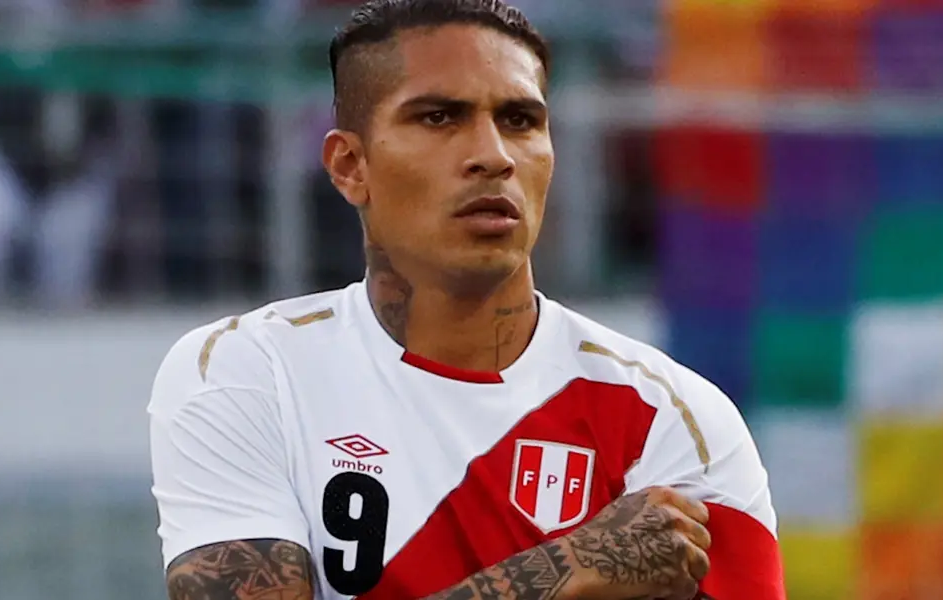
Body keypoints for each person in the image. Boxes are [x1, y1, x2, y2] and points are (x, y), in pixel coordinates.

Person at [147, 1, 785, 599]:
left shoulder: (671, 419)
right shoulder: (249, 371)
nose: (493, 156)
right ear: (349, 166)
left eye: (520, 120)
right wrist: (565, 570)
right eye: (439, 117)